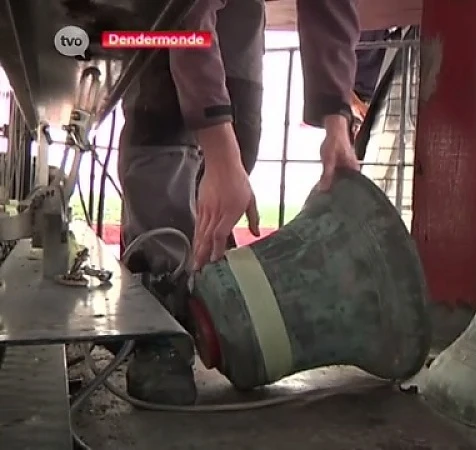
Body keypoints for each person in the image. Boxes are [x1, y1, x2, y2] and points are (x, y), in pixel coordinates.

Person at [117, 0, 361, 405]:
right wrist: (218, 150)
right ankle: (156, 315)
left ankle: (205, 287)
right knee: (161, 121)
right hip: (165, 12)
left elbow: (330, 7)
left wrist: (337, 121)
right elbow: (187, 16)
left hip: (238, 11)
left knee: (241, 117)